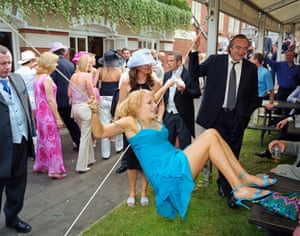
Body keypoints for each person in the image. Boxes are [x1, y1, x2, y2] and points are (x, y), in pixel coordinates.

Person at [88, 89, 275, 219]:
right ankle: (239, 187)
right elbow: (100, 133)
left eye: (154, 101)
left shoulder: (153, 119)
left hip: (174, 161)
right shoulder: (130, 122)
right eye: (150, 103)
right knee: (210, 136)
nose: (155, 105)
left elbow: (156, 97)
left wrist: (161, 92)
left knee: (214, 134)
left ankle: (244, 177)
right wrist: (95, 113)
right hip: (166, 174)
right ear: (137, 106)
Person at [188, 34, 261, 207]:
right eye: (238, 48)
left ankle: (228, 187)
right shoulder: (215, 61)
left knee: (233, 152)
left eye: (245, 49)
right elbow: (195, 72)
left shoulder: (251, 69)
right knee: (219, 151)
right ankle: (226, 186)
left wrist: (244, 116)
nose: (242, 52)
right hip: (216, 116)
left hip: (237, 117)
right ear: (230, 47)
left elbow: (254, 96)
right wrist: (194, 50)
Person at [114, 49, 164, 207]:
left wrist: (159, 121)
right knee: (131, 161)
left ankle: (143, 192)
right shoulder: (126, 82)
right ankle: (131, 192)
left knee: (146, 161)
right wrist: (115, 123)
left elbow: (161, 105)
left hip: (148, 127)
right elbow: (120, 105)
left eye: (149, 63)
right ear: (136, 67)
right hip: (130, 127)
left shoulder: (155, 82)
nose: (149, 65)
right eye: (145, 63)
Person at [0, 45, 36, 233]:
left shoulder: (17, 78)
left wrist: (33, 133)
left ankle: (13, 218)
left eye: (9, 63)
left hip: (20, 141)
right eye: (2, 64)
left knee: (17, 185)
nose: (7, 67)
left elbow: (26, 107)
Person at [33, 52, 67, 179]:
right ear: (48, 64)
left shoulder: (37, 77)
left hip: (40, 115)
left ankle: (41, 165)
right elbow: (51, 100)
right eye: (55, 62)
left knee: (43, 141)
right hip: (48, 114)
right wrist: (58, 118)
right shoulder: (46, 79)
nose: (57, 64)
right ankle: (54, 170)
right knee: (53, 142)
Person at [162, 51, 201, 149]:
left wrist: (184, 90)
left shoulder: (189, 75)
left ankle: (185, 163)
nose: (168, 63)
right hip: (168, 114)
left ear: (179, 62)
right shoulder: (166, 75)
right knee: (167, 143)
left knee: (185, 145)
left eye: (171, 61)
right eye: (168, 61)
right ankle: (170, 163)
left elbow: (197, 92)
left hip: (183, 115)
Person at [50, 42, 81, 151]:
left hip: (59, 98)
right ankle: (78, 141)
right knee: (71, 122)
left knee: (68, 122)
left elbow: (52, 82)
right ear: (63, 52)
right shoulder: (70, 64)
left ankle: (79, 142)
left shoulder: (54, 65)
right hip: (69, 96)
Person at [68, 54, 96, 173]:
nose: (90, 65)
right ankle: (81, 165)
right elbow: (91, 93)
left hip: (75, 108)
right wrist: (94, 101)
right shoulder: (87, 76)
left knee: (86, 134)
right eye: (89, 63)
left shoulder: (73, 76)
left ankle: (90, 158)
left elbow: (69, 94)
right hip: (85, 108)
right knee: (85, 136)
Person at [97, 49, 123, 159]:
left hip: (103, 98)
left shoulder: (100, 70)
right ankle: (119, 146)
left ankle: (105, 153)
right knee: (117, 122)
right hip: (114, 99)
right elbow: (120, 88)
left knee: (104, 125)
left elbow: (95, 85)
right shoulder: (118, 72)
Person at [15, 50, 37, 124]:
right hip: (33, 99)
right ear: (31, 61)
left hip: (21, 99)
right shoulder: (33, 72)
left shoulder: (16, 72)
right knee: (34, 123)